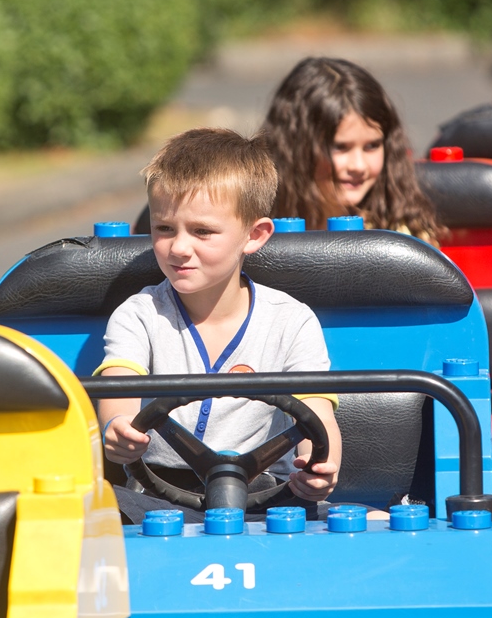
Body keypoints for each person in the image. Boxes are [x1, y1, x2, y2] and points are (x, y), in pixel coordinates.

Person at [97, 128, 342, 516]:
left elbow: (318, 411)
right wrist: (118, 430)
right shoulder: (139, 314)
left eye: (202, 232)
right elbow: (119, 389)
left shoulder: (291, 321)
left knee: (365, 523)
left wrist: (318, 466)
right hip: (156, 496)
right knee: (85, 512)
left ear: (255, 235)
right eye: (164, 228)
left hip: (265, 497)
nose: (178, 247)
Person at [260, 56, 442, 242]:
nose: (358, 166)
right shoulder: (254, 225)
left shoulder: (403, 232)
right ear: (296, 148)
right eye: (340, 147)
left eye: (372, 146)